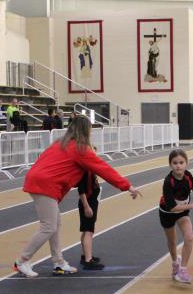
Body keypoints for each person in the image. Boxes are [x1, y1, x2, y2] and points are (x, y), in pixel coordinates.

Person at [13, 115, 141, 278]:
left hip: (39, 180)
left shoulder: (60, 143)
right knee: (49, 226)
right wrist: (127, 186)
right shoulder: (80, 148)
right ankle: (22, 260)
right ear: (86, 131)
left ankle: (59, 263)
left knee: (55, 225)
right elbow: (103, 168)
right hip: (45, 184)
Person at [159, 149, 193, 284]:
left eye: (181, 163)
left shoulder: (188, 175)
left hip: (183, 212)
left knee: (189, 237)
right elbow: (173, 207)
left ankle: (182, 270)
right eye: (175, 163)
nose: (178, 166)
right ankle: (175, 263)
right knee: (172, 241)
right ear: (170, 164)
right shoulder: (168, 182)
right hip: (167, 213)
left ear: (186, 163)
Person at [76, 160, 104, 271]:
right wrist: (86, 206)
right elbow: (81, 190)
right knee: (89, 231)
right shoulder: (85, 170)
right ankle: (88, 260)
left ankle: (85, 256)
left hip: (92, 201)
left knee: (86, 230)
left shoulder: (89, 169)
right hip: (88, 203)